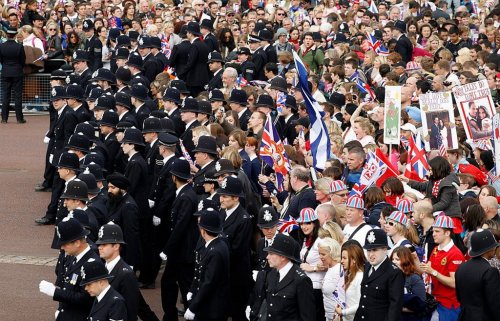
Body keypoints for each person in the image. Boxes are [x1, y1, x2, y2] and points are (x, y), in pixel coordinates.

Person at [159, 158, 199, 321]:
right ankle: (170, 316)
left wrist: (167, 249)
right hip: (180, 251)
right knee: (170, 283)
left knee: (185, 286)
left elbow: (180, 226)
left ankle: (188, 315)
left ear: (174, 177)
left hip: (183, 252)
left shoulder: (186, 197)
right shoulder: (184, 194)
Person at [39, 218, 100, 321]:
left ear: (77, 243)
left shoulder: (92, 263)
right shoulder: (74, 257)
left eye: (65, 244)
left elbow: (86, 298)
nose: (62, 248)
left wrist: (56, 292)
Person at [96, 222, 159, 321]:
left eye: (104, 244)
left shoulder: (126, 275)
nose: (99, 247)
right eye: (99, 244)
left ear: (116, 246)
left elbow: (131, 312)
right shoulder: (102, 269)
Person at [255, 233, 316, 321]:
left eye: (271, 253)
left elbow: (308, 316)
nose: (267, 257)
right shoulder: (271, 274)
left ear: (283, 256)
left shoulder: (301, 280)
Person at [184, 207, 230, 321]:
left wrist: (193, 307)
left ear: (203, 230)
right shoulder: (217, 245)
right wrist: (192, 290)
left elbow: (208, 283)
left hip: (212, 308)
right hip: (210, 304)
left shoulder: (214, 251)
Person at [218, 176, 253, 321]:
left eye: (225, 196)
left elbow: (236, 251)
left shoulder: (243, 219)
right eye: (221, 196)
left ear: (236, 198)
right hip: (223, 274)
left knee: (238, 314)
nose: (221, 200)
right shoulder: (222, 213)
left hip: (237, 277)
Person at [419, 214, 464, 321]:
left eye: (437, 231)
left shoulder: (455, 254)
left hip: (449, 305)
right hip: (435, 301)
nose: (433, 234)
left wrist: (433, 272)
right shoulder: (436, 249)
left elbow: (454, 283)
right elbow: (426, 269)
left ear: (447, 233)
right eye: (433, 231)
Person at [354, 229, 405, 321]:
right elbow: (364, 300)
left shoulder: (394, 273)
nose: (370, 254)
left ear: (385, 249)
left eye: (374, 250)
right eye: (368, 250)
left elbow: (395, 307)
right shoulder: (367, 266)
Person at [455, 229, 500, 321]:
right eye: (494, 247)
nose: (495, 249)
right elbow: (495, 305)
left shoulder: (461, 268)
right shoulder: (490, 271)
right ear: (489, 249)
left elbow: (459, 297)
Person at [296, 208, 327, 321]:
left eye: (308, 223)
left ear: (315, 223)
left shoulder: (321, 240)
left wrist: (312, 268)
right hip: (307, 285)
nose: (304, 226)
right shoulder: (306, 239)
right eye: (302, 223)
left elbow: (330, 262)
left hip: (317, 287)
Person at [390, 246, 427, 320]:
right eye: (392, 259)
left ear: (406, 261)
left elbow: (422, 305)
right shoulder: (390, 277)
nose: (394, 262)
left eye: (397, 259)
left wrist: (399, 309)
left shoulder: (414, 279)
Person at [0, 27, 26, 123]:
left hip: (6, 72)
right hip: (17, 72)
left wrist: (6, 66)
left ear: (7, 35)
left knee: (5, 95)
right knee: (18, 96)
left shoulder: (1, 46)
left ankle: (4, 118)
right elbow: (23, 60)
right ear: (15, 35)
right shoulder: (19, 46)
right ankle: (19, 118)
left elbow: (1, 60)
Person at [336, 241, 365, 321]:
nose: (341, 261)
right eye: (342, 258)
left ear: (354, 260)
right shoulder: (348, 274)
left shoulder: (360, 277)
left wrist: (343, 312)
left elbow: (361, 304)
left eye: (344, 258)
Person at [318, 237, 343, 321]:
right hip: (329, 316)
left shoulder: (339, 269)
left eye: (323, 254)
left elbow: (343, 296)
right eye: (319, 254)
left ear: (332, 253)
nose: (320, 257)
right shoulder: (330, 267)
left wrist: (338, 315)